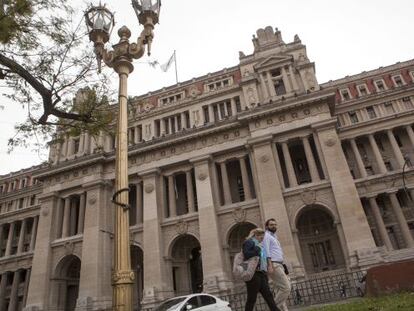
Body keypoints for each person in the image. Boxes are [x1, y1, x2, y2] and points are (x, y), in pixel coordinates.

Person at [242, 228, 280, 311]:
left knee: (268, 296)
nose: (262, 240)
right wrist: (257, 249)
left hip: (261, 273)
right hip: (253, 274)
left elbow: (262, 257)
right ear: (256, 235)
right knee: (252, 298)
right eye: (261, 238)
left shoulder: (259, 245)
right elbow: (246, 254)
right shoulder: (249, 242)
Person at [263, 218, 291, 311]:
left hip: (279, 264)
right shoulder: (266, 236)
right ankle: (273, 308)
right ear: (267, 226)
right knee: (286, 287)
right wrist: (270, 265)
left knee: (279, 289)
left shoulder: (274, 236)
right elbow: (266, 251)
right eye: (271, 225)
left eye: (275, 224)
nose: (274, 226)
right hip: (274, 265)